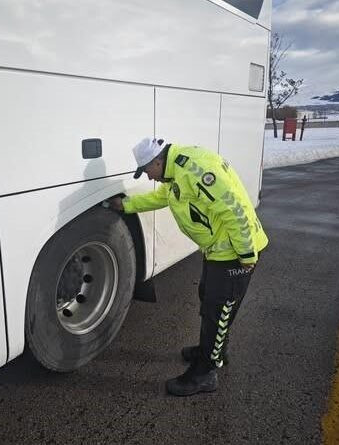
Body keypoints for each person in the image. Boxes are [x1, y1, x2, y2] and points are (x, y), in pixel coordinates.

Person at [109, 137, 268, 396]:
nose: (149, 178)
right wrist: (127, 205)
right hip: (220, 248)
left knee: (218, 310)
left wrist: (246, 254)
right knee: (209, 299)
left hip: (235, 251)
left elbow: (234, 209)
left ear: (157, 161)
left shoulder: (196, 170)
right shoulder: (175, 173)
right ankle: (215, 351)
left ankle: (205, 373)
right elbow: (163, 197)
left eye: (148, 171)